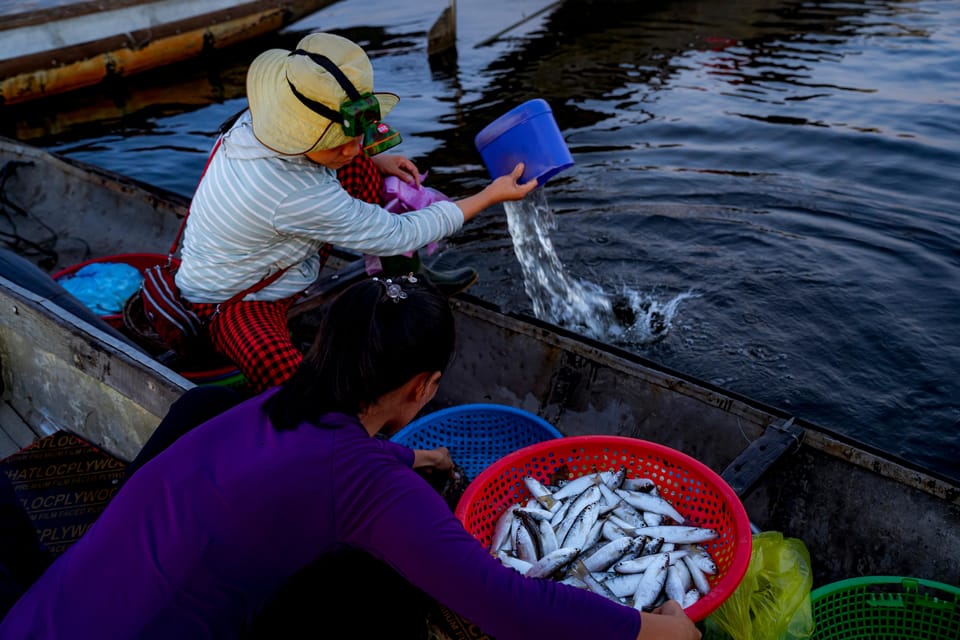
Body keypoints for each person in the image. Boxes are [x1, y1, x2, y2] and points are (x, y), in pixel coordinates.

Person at [0, 275, 701, 640]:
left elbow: (339, 465)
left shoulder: (250, 408)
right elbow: (509, 608)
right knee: (381, 586)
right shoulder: (359, 482)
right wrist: (655, 631)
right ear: (422, 387)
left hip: (37, 621)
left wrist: (407, 460)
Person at [174, 31, 537, 394]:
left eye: (355, 135)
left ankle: (403, 272)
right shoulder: (294, 192)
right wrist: (489, 195)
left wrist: (378, 158)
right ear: (300, 134)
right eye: (336, 142)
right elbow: (400, 232)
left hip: (268, 257)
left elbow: (347, 155)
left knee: (361, 169)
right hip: (234, 298)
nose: (352, 148)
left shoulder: (266, 117)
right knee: (300, 394)